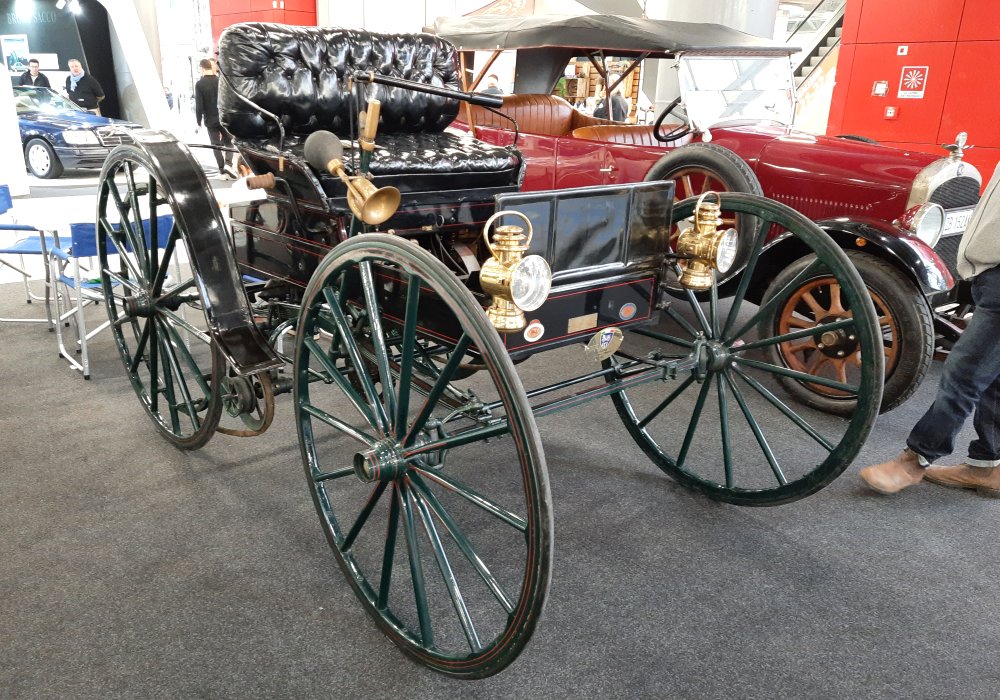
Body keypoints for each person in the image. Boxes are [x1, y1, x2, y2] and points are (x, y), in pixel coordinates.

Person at [859, 161, 1000, 495]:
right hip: (989, 272)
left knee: (964, 373)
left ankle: (916, 459)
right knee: (993, 376)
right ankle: (987, 466)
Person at [194, 58, 234, 178]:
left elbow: (199, 105)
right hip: (223, 118)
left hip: (210, 120)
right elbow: (228, 99)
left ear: (202, 68)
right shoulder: (220, 80)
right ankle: (228, 164)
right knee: (229, 142)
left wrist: (198, 121)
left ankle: (222, 170)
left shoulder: (199, 84)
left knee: (215, 145)